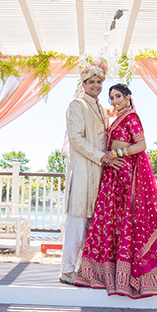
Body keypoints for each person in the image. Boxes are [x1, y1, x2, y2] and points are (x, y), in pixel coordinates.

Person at [74, 83, 157, 298]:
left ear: (127, 97)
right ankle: (109, 273)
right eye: (112, 98)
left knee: (126, 220)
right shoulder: (119, 117)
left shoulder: (132, 117)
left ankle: (130, 275)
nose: (115, 101)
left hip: (124, 174)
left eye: (118, 97)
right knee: (112, 221)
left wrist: (115, 155)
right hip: (113, 174)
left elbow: (141, 145)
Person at [59, 59, 117, 285]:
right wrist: (101, 156)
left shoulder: (102, 109)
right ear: (83, 84)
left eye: (98, 81)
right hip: (83, 172)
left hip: (99, 173)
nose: (95, 85)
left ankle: (85, 270)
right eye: (90, 81)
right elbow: (75, 139)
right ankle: (66, 270)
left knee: (92, 225)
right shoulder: (77, 105)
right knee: (77, 222)